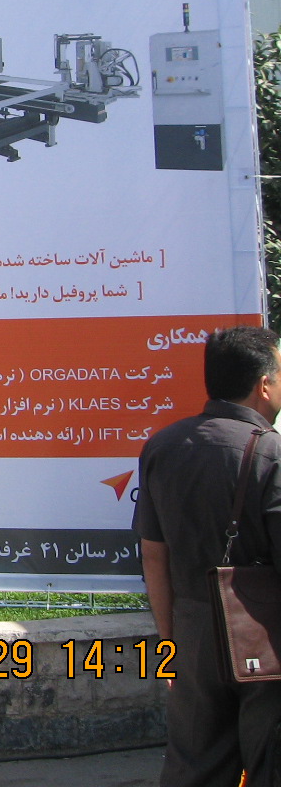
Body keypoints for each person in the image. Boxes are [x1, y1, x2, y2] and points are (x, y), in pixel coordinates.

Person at [135, 326, 281, 787]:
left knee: (194, 767)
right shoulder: (272, 453)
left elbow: (153, 557)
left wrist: (170, 646)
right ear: (264, 384)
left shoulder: (162, 446)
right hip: (265, 635)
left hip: (193, 632)